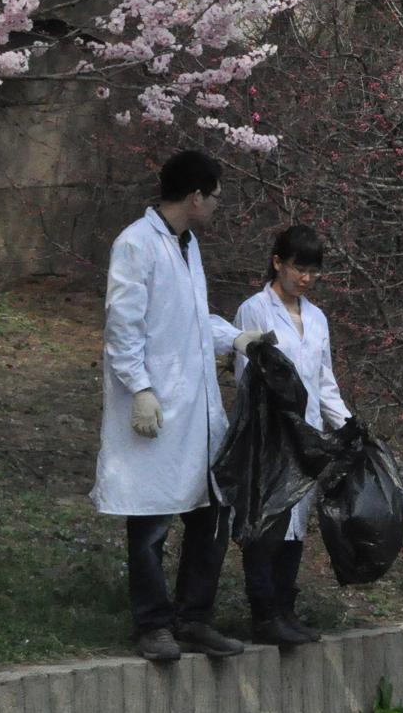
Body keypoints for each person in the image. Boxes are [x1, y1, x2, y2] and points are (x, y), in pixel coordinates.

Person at [92, 150, 271, 662]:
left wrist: (235, 338)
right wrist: (140, 388)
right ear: (195, 196)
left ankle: (193, 618)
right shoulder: (137, 244)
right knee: (151, 519)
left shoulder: (186, 245)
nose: (216, 205)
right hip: (155, 407)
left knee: (212, 512)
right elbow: (123, 326)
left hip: (195, 408)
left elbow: (191, 319)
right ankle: (153, 624)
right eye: (214, 196)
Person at [233, 225, 353, 647]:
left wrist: (347, 425)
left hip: (307, 439)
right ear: (277, 263)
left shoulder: (317, 318)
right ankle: (264, 613)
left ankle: (285, 608)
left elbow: (324, 382)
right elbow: (249, 377)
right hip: (269, 435)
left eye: (313, 271)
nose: (305, 278)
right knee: (268, 523)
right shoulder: (255, 310)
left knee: (296, 525)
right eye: (298, 268)